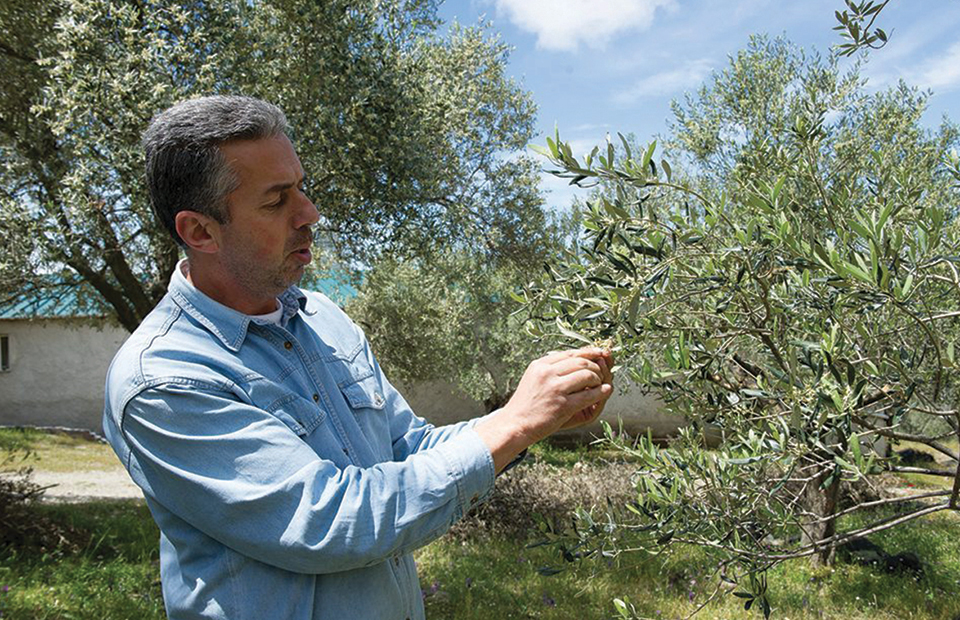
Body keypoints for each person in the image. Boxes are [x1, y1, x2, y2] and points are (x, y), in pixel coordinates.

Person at [103, 95, 613, 620]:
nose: (309, 213)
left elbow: (409, 448)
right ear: (200, 232)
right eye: (276, 201)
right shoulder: (166, 381)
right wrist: (513, 425)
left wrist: (528, 420)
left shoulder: (321, 318)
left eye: (301, 187)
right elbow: (332, 522)